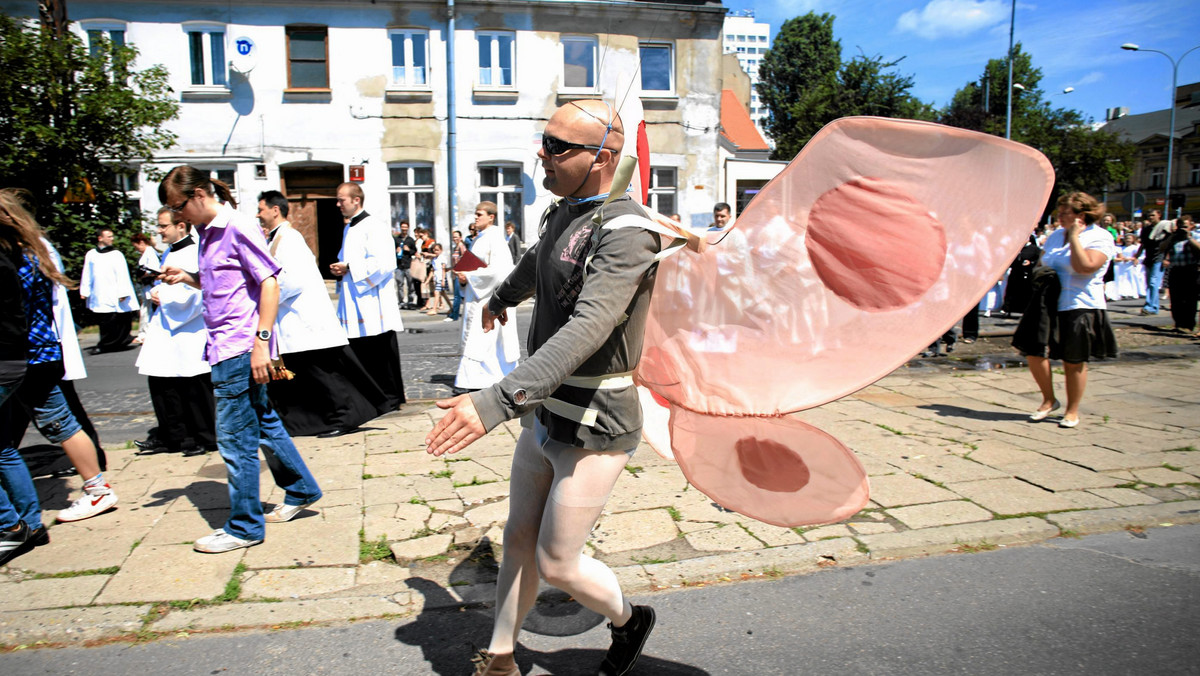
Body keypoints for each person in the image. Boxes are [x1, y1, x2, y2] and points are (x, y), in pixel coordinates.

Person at [428, 100, 660, 676]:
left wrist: (496, 401)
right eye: (544, 140)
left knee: (559, 563)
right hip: (545, 411)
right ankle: (502, 656)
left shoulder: (629, 232)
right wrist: (501, 297)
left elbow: (589, 326)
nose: (543, 153)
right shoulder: (567, 210)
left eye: (558, 146)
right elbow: (541, 259)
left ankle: (630, 621)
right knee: (517, 538)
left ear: (603, 157)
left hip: (596, 419)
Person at [157, 166, 322, 553]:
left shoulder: (236, 226)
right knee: (263, 423)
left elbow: (269, 281)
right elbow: (226, 281)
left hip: (240, 347)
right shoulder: (206, 233)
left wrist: (262, 343)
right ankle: (301, 490)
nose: (177, 216)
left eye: (178, 207)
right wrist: (188, 277)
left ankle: (244, 526)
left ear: (198, 194)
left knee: (234, 440)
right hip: (227, 345)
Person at [0, 191, 118, 525]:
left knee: (60, 424)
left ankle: (98, 490)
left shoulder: (16, 257)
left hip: (31, 356)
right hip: (38, 352)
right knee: (27, 431)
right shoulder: (30, 250)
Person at [256, 192, 389, 437]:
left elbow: (292, 280)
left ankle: (344, 417)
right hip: (292, 322)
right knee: (307, 379)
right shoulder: (275, 239)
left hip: (306, 321)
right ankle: (310, 422)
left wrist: (264, 298)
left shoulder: (290, 238)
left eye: (261, 209)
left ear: (276, 210)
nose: (258, 214)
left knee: (326, 376)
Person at [1017, 192, 1117, 429]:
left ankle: (1072, 410)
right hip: (1048, 302)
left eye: (1065, 213)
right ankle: (1049, 399)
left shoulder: (1099, 237)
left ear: (1081, 216)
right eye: (1059, 212)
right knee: (1034, 351)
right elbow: (1043, 263)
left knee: (1073, 360)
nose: (1059, 217)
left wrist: (1074, 238)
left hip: (1080, 304)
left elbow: (1085, 267)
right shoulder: (1054, 236)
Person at [134, 208, 216, 456]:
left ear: (181, 225)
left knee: (193, 387)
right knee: (162, 383)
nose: (158, 231)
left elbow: (200, 290)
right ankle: (173, 436)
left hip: (188, 328)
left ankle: (202, 437)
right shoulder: (171, 251)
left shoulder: (194, 251)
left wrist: (164, 297)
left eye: (163, 226)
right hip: (167, 328)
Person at [0, 193, 50, 565]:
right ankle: (30, 524)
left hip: (8, 359)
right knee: (2, 445)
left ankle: (10, 526)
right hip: (18, 358)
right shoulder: (18, 254)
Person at [331, 183, 406, 411]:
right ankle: (374, 397)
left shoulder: (374, 226)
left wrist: (350, 267)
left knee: (380, 351)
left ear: (356, 200)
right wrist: (341, 269)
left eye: (341, 199)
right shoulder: (349, 228)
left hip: (373, 302)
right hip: (354, 299)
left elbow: (385, 263)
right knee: (361, 351)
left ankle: (392, 398)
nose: (337, 204)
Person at [453, 201, 520, 392]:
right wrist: (465, 278)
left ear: (491, 217)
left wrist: (471, 276)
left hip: (489, 298)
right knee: (485, 341)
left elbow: (500, 272)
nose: (476, 217)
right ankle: (478, 380)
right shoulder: (479, 238)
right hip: (478, 295)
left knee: (486, 340)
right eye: (475, 214)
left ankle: (475, 381)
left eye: (479, 214)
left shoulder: (496, 239)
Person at [79, 226, 139, 353]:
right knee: (104, 320)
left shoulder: (117, 255)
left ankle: (115, 343)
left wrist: (123, 292)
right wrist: (84, 291)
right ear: (100, 238)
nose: (112, 239)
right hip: (99, 293)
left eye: (112, 236)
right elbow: (87, 273)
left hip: (114, 292)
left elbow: (123, 275)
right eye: (109, 236)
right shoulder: (91, 254)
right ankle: (107, 343)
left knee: (117, 319)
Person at [1163, 214, 1199, 334]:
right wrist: (1172, 236)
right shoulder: (1174, 239)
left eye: (1185, 226)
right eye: (1180, 226)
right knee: (1176, 298)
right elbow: (1161, 248)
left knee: (1190, 299)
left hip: (1190, 270)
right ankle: (1178, 323)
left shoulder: (1195, 236)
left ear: (1191, 226)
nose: (1182, 229)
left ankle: (1189, 324)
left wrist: (1189, 238)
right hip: (1176, 270)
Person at [1136, 209, 1173, 315]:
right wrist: (1137, 256)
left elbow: (1169, 244)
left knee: (1153, 283)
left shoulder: (1165, 227)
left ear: (1159, 215)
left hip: (1159, 258)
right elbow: (1143, 244)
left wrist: (1166, 258)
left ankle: (1150, 306)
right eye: (1149, 215)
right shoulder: (1146, 229)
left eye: (1153, 215)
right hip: (1149, 258)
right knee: (1150, 284)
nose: (1150, 217)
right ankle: (1154, 306)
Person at [132, 233, 158, 346]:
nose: (136, 249)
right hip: (146, 286)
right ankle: (144, 334)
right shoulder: (147, 253)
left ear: (141, 242)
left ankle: (146, 335)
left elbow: (154, 270)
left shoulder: (150, 253)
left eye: (136, 246)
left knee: (148, 311)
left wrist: (142, 275)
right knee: (145, 310)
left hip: (151, 286)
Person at [395, 220, 417, 309]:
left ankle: (410, 302)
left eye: (405, 227)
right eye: (402, 227)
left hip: (408, 265)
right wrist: (395, 251)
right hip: (399, 265)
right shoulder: (396, 239)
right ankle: (401, 302)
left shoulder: (410, 240)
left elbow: (415, 251)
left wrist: (409, 250)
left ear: (408, 228)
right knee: (399, 284)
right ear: (400, 228)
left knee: (410, 285)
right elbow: (390, 251)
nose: (404, 229)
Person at [446, 230, 467, 322]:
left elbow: (465, 259)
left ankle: (454, 316)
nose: (455, 239)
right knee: (461, 296)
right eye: (453, 237)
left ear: (460, 237)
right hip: (456, 273)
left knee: (457, 296)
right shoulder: (456, 247)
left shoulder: (461, 247)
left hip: (460, 274)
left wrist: (459, 271)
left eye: (456, 237)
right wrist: (450, 269)